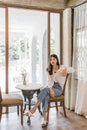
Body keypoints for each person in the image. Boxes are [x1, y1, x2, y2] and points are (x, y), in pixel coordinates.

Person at [24, 54, 67, 127]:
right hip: (50, 87)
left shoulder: (62, 67)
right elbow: (49, 81)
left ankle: (33, 109)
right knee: (46, 96)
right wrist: (51, 90)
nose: (52, 61)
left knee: (44, 90)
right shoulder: (48, 69)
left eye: (54, 59)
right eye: (51, 59)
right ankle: (44, 120)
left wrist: (66, 69)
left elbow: (70, 70)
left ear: (57, 60)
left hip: (58, 89)